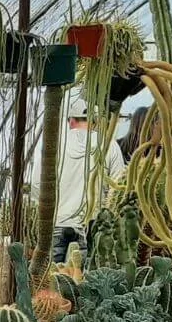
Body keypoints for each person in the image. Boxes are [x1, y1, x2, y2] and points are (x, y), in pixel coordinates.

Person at [38, 94, 126, 265]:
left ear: (70, 121)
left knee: (51, 280)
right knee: (85, 282)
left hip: (57, 223)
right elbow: (118, 188)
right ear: (95, 121)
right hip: (93, 226)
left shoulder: (54, 144)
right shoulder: (109, 145)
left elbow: (37, 184)